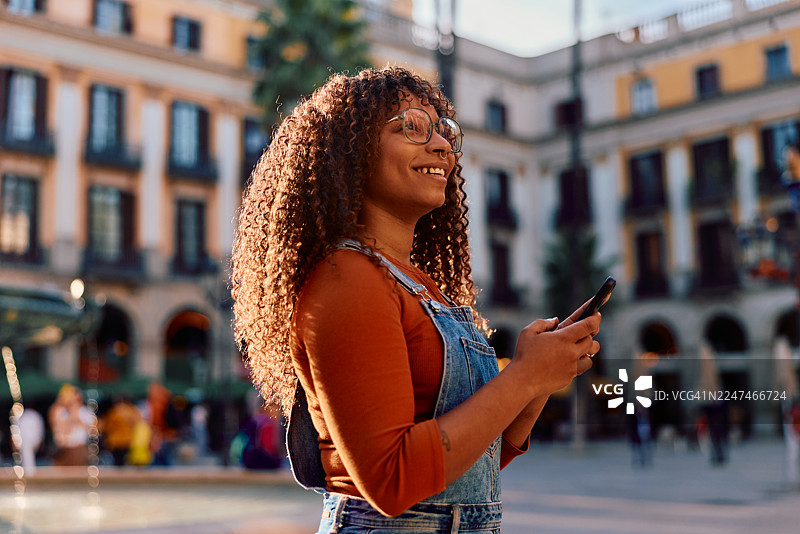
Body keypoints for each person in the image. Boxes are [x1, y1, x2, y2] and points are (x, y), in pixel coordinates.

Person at [231, 66, 602, 532]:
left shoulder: (416, 284)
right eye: (412, 127)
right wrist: (524, 377)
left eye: (445, 131)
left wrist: (539, 382)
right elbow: (392, 480)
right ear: (352, 152)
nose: (443, 146)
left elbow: (467, 472)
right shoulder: (348, 278)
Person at [48, 384, 93, 466]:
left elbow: (91, 429)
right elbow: (55, 424)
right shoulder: (60, 411)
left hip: (78, 449)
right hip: (63, 450)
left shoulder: (84, 412)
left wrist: (76, 417)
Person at [99, 395, 142, 466]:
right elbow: (137, 422)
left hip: (116, 441)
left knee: (118, 462)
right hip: (126, 440)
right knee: (123, 461)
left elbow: (107, 426)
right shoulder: (131, 411)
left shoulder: (114, 412)